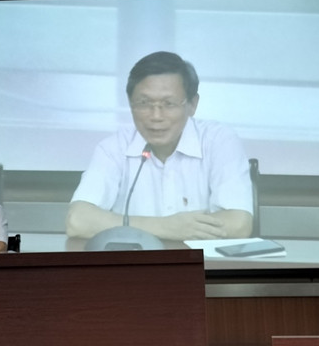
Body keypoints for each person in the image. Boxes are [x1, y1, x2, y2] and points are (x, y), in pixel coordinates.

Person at [65, 51, 253, 242]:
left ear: (192, 104)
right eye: (144, 103)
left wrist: (127, 226)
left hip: (198, 261)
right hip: (135, 261)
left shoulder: (219, 141)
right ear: (130, 103)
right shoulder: (113, 148)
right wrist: (167, 227)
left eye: (169, 104)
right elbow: (77, 221)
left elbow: (239, 223)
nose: (156, 116)